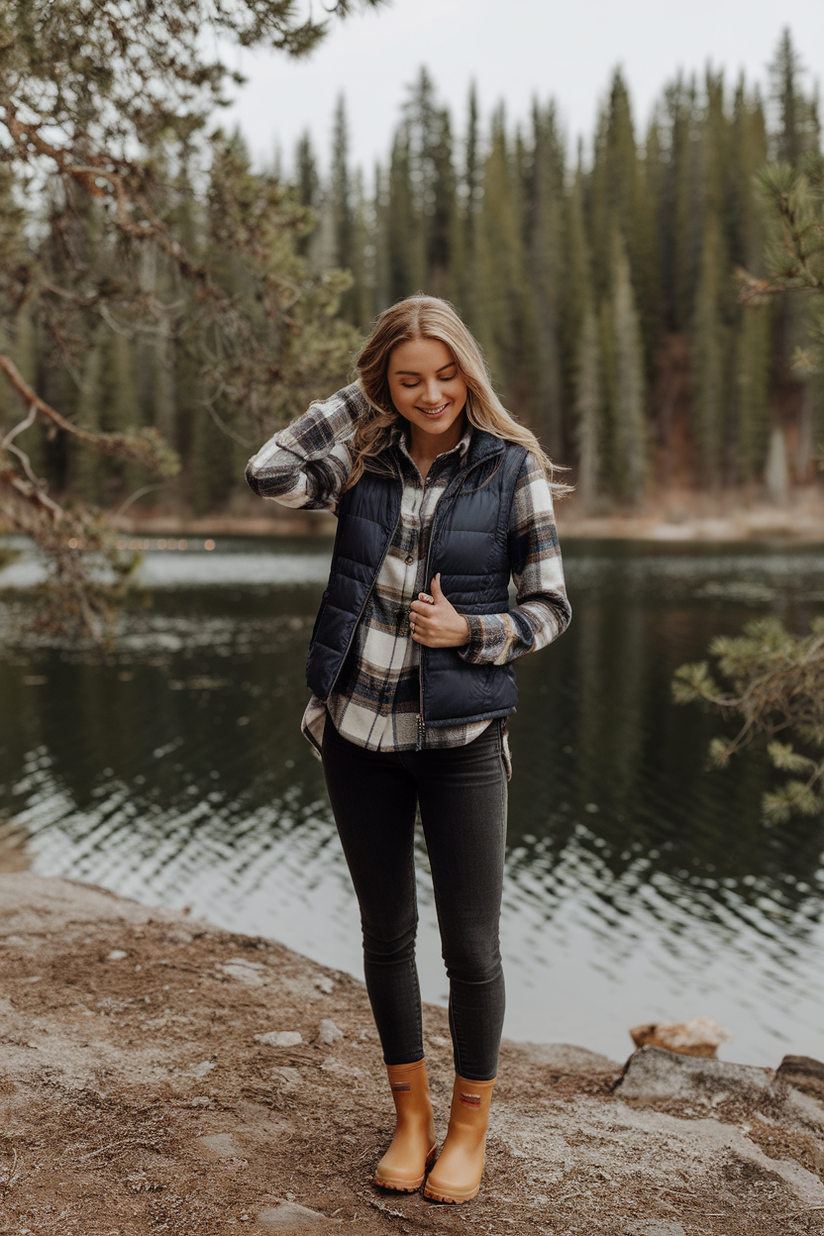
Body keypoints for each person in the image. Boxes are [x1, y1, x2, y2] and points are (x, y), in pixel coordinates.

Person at [245, 295, 571, 1204]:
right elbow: (268, 473)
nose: (432, 395)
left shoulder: (513, 469)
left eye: (447, 373)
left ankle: (469, 1127)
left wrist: (471, 629)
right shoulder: (361, 464)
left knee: (471, 945)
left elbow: (550, 609)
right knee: (387, 933)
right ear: (383, 382)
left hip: (461, 737)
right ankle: (411, 1116)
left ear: (471, 370)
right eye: (408, 379)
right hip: (357, 730)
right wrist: (353, 402)